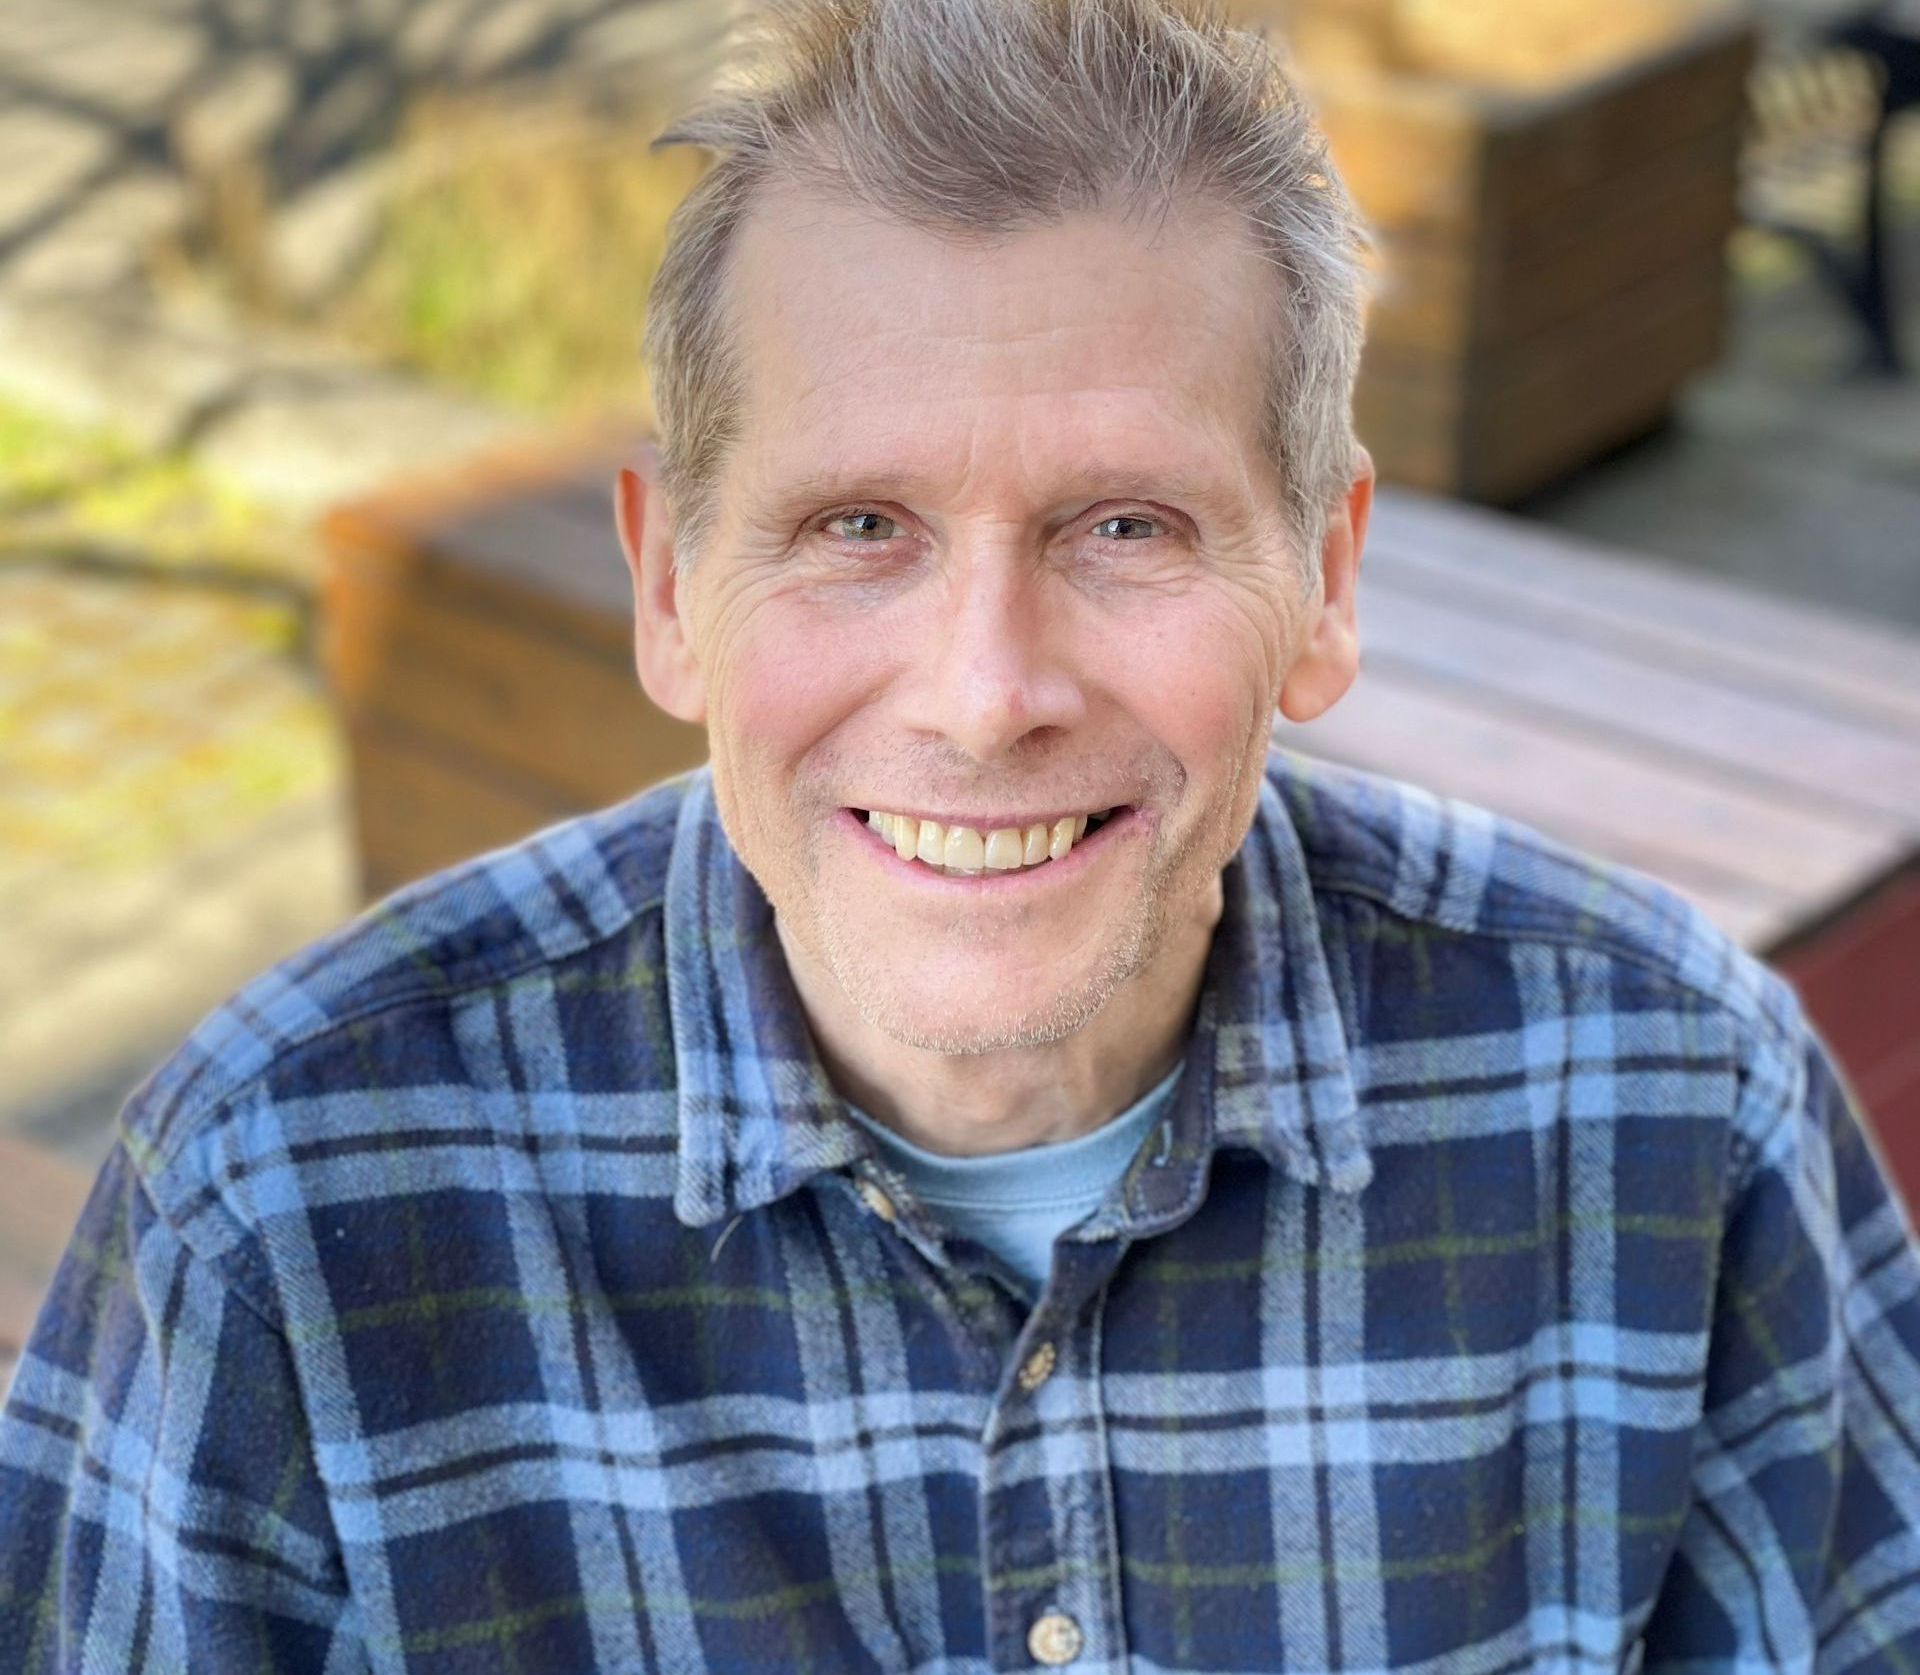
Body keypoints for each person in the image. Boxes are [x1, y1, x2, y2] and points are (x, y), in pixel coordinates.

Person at [4, 0, 1919, 1668]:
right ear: (672, 586)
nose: (985, 691)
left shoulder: (1675, 1100)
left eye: (1126, 528)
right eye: (859, 528)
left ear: (1324, 584)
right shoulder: (280, 1193)